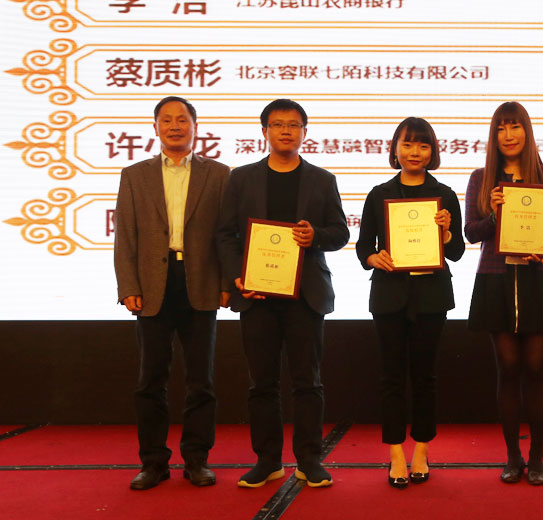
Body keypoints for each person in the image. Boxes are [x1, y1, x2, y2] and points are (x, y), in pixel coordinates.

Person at [216, 99, 349, 488]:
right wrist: (237, 275)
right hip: (257, 295)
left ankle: (309, 460)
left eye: (293, 125)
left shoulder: (322, 180)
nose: (286, 131)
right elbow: (225, 233)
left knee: (308, 381)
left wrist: (315, 236)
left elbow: (339, 232)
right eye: (277, 124)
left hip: (305, 295)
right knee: (262, 383)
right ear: (265, 132)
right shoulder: (241, 178)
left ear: (305, 132)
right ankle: (268, 460)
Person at [113, 96, 230, 490]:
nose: (175, 126)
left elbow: (226, 235)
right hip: (151, 284)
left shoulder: (219, 174)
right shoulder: (135, 175)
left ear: (195, 126)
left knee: (202, 381)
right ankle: (153, 462)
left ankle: (197, 460)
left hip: (201, 282)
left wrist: (226, 283)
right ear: (155, 127)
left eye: (183, 119)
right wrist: (128, 286)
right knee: (150, 380)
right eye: (167, 120)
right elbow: (125, 234)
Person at [464, 101, 543, 486]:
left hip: (540, 278)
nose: (509, 135)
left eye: (515, 127)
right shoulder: (481, 179)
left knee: (537, 369)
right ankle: (513, 456)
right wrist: (494, 215)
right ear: (493, 136)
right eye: (501, 128)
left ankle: (538, 456)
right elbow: (471, 232)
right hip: (496, 279)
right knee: (508, 369)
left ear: (527, 133)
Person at [355, 117, 464, 488]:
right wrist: (375, 258)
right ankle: (395, 453)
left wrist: (446, 232)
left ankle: (421, 449)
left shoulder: (445, 194)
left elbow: (457, 251)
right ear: (395, 148)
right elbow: (363, 247)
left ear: (432, 151)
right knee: (391, 376)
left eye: (423, 145)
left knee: (425, 376)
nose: (414, 152)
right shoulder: (379, 194)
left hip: (432, 296)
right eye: (407, 144)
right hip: (389, 295)